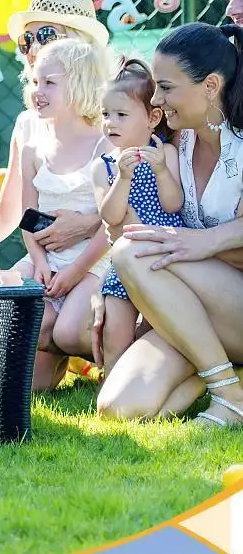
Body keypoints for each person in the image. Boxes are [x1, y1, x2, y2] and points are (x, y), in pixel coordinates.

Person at [0, 0, 112, 395]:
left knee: (67, 325)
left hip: (100, 256)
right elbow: (11, 214)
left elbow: (136, 205)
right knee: (26, 384)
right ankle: (50, 357)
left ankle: (109, 349)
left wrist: (88, 224)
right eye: (27, 39)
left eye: (46, 35)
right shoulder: (30, 122)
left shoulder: (117, 114)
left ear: (81, 44)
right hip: (46, 257)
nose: (33, 47)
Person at [97, 23, 243, 424]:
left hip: (238, 302)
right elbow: (122, 217)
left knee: (132, 251)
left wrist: (205, 243)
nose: (158, 99)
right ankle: (223, 371)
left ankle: (230, 396)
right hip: (197, 306)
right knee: (118, 409)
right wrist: (125, 291)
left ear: (210, 86)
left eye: (166, 87)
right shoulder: (180, 141)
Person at [12, 38, 112, 390]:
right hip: (46, 260)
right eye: (35, 81)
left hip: (90, 262)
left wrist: (75, 270)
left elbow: (111, 224)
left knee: (70, 332)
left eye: (50, 83)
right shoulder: (33, 148)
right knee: (10, 307)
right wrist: (38, 260)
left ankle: (117, 355)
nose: (38, 90)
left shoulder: (104, 145)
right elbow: (28, 215)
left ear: (81, 85)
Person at [90, 57, 184, 377]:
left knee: (154, 331)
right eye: (105, 114)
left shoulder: (166, 155)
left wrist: (159, 170)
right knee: (115, 334)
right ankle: (111, 384)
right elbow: (110, 216)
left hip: (163, 258)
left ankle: (142, 384)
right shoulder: (104, 166)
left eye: (120, 115)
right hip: (124, 262)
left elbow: (173, 205)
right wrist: (123, 179)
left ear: (152, 117)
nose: (110, 123)